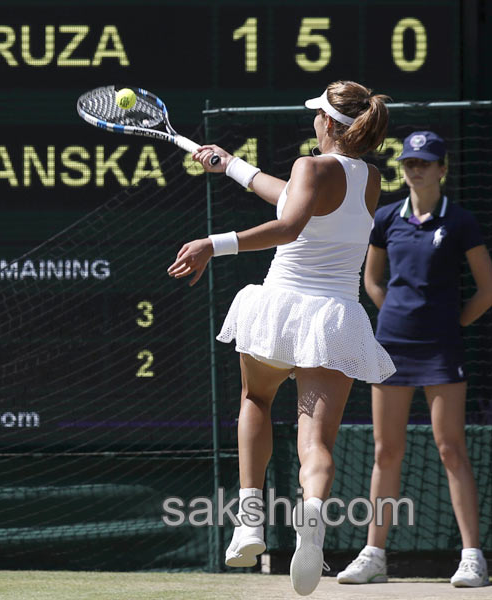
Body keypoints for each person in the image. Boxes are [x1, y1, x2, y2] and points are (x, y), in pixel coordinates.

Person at [167, 80, 395, 596]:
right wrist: (231, 166)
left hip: (282, 309)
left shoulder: (309, 166)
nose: (312, 121)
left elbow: (290, 223)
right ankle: (310, 513)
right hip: (334, 318)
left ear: (329, 125)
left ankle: (249, 522)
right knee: (315, 441)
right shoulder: (370, 179)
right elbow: (295, 199)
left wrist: (213, 243)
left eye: (317, 114)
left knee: (256, 398)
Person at [336, 131, 492, 588]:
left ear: (443, 168)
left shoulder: (460, 221)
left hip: (442, 351)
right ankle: (374, 554)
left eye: (425, 162)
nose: (416, 169)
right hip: (391, 349)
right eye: (409, 162)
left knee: (451, 449)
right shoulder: (385, 219)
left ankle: (471, 558)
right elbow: (373, 281)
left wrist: (451, 325)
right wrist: (399, 321)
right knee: (386, 451)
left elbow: (488, 289)